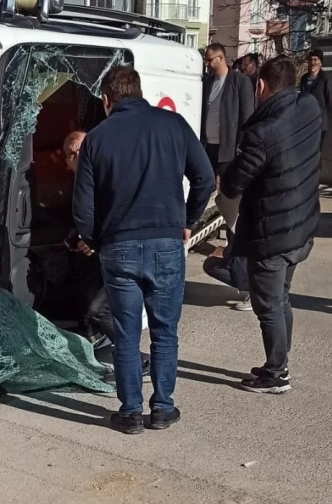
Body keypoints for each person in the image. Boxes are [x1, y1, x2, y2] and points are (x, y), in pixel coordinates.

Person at [73, 66, 214, 434]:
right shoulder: (173, 125)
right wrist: (188, 219)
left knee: (126, 331)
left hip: (118, 245)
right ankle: (164, 408)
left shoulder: (96, 139)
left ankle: (131, 412)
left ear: (107, 100)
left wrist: (99, 243)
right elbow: (205, 178)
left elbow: (82, 209)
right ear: (139, 91)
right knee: (165, 330)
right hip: (167, 243)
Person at [220, 56, 321, 395]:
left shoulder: (262, 133)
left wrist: (234, 161)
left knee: (268, 306)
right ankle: (280, 361)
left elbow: (233, 185)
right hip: (300, 225)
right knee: (282, 298)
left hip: (272, 234)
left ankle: (277, 374)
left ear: (260, 86)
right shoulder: (309, 107)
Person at [63, 130, 151, 381]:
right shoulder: (85, 181)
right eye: (71, 154)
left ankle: (137, 363)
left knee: (100, 308)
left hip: (128, 253)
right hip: (113, 253)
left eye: (81, 150)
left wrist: (96, 241)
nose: (77, 157)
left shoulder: (109, 176)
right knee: (97, 301)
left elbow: (119, 214)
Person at [201, 44, 255, 178]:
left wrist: (240, 146)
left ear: (220, 58)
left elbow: (247, 117)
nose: (206, 64)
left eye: (209, 60)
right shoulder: (207, 82)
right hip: (207, 146)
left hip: (227, 150)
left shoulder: (241, 82)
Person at [299, 49, 332, 152]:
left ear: (320, 62)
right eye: (311, 60)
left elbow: (331, 101)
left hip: (320, 123)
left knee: (316, 151)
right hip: (306, 122)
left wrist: (327, 120)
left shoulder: (325, 79)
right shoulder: (304, 79)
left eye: (316, 60)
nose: (313, 63)